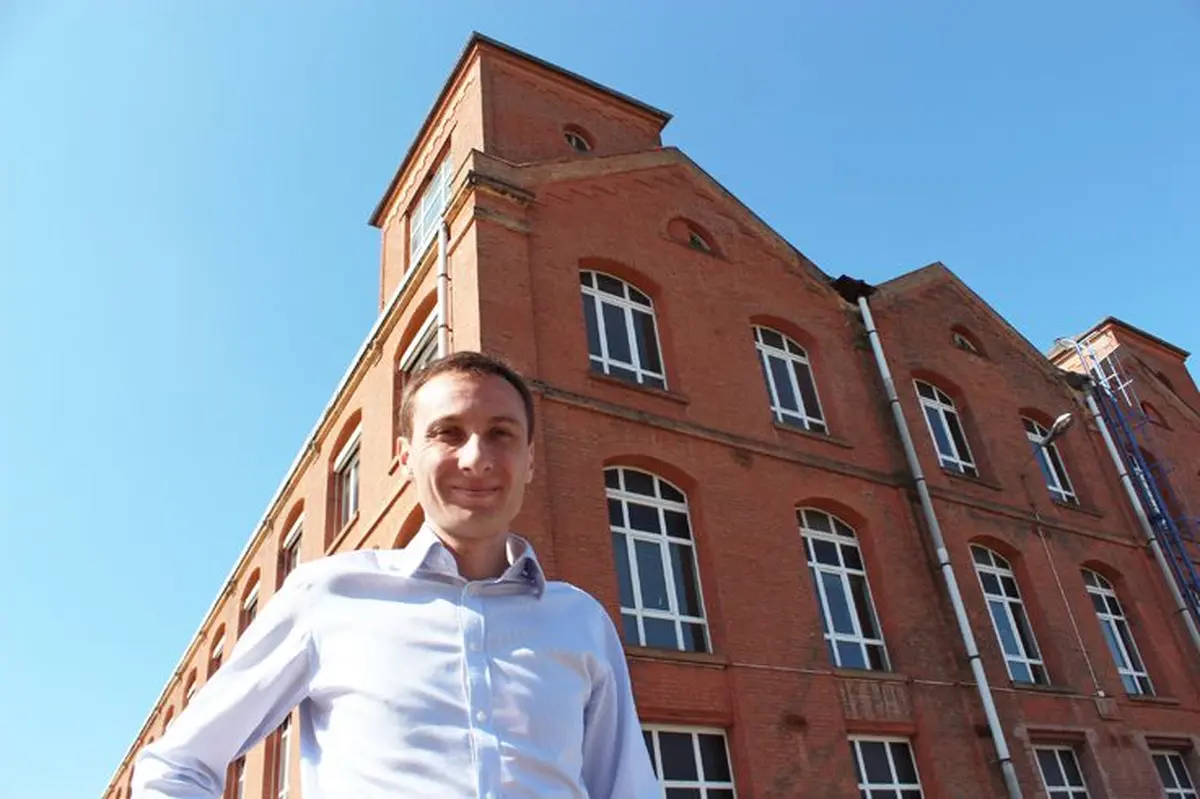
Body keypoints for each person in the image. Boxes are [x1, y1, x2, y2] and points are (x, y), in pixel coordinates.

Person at [132, 350, 662, 798]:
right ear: (406, 458)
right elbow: (175, 767)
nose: (476, 458)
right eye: (447, 433)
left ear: (529, 461)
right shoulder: (330, 597)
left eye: (501, 434)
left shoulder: (581, 622)